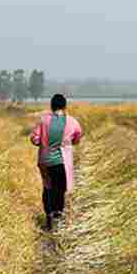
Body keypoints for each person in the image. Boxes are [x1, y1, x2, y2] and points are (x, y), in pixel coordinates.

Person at [29, 93, 83, 231]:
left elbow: (34, 139)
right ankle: (58, 217)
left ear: (51, 106)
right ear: (65, 106)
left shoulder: (43, 121)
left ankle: (48, 216)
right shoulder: (72, 122)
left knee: (47, 187)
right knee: (60, 190)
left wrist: (42, 142)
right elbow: (77, 139)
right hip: (62, 163)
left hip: (45, 161)